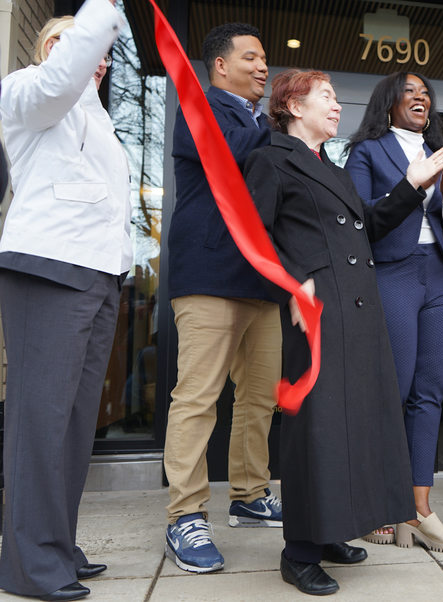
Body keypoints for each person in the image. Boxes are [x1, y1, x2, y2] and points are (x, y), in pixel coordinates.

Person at [243, 69, 443, 596]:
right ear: (293, 105)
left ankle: (334, 528)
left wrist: (413, 183)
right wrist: (292, 289)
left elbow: (372, 223)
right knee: (318, 430)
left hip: (359, 311)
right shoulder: (271, 159)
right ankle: (300, 552)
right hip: (316, 313)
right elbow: (252, 240)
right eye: (327, 97)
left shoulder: (330, 167)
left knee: (355, 425)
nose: (338, 106)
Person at [0, 1, 127, 599]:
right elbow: (60, 79)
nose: (97, 60)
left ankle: (57, 544)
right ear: (52, 48)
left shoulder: (95, 118)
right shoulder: (29, 89)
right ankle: (29, 565)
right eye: (83, 47)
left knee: (75, 426)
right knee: (41, 423)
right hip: (50, 269)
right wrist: (101, 12)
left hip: (99, 277)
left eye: (102, 52)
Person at [164, 22, 282, 574]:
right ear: (219, 65)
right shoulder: (200, 107)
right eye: (252, 58)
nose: (264, 67)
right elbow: (227, 151)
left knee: (260, 397)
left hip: (260, 282)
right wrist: (284, 123)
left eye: (265, 59)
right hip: (209, 275)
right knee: (198, 397)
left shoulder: (259, 122)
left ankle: (250, 494)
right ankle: (185, 514)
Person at [344, 72, 443, 552]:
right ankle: (377, 502)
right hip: (391, 274)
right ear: (388, 103)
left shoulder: (442, 155)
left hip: (436, 276)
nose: (421, 98)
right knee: (392, 390)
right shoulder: (367, 152)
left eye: (426, 93)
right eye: (409, 92)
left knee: (430, 393)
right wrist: (416, 185)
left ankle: (419, 509)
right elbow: (361, 220)